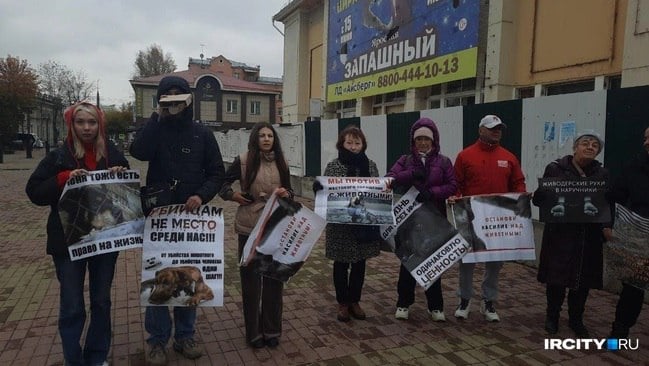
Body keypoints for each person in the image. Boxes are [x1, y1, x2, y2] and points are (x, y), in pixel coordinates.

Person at [130, 76, 225, 364]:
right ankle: (157, 341)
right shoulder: (155, 129)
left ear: (188, 99)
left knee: (187, 279)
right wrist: (155, 120)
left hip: (189, 221)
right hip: (160, 218)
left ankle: (185, 336)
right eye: (166, 95)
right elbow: (138, 152)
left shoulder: (202, 134)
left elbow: (217, 173)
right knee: (159, 278)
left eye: (178, 95)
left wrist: (201, 195)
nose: (173, 99)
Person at [26, 102, 129, 366]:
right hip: (69, 243)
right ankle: (74, 359)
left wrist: (121, 173)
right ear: (72, 125)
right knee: (72, 305)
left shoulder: (112, 154)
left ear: (99, 125)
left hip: (105, 242)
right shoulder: (60, 156)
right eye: (81, 122)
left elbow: (127, 188)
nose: (86, 127)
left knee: (101, 301)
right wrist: (63, 178)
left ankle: (97, 357)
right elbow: (34, 192)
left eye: (92, 122)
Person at [219, 122, 294, 349]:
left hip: (275, 226)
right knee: (251, 284)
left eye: (270, 135)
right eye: (262, 135)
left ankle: (271, 330)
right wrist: (234, 196)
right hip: (249, 226)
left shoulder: (283, 162)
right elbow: (222, 185)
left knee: (273, 281)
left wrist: (285, 193)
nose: (266, 138)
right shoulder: (243, 160)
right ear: (255, 138)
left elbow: (291, 192)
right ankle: (253, 332)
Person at [532, 131, 608, 337]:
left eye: (595, 145)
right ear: (575, 148)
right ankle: (552, 317)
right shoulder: (555, 169)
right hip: (560, 234)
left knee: (582, 282)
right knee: (556, 279)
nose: (590, 147)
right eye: (585, 143)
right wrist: (543, 192)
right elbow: (539, 200)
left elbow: (607, 204)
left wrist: (607, 227)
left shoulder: (602, 175)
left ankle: (576, 320)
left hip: (587, 236)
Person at [450, 114, 526, 322]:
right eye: (492, 128)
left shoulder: (509, 157)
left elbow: (518, 182)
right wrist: (455, 198)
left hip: (498, 220)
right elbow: (456, 183)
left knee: (495, 262)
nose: (496, 131)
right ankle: (464, 300)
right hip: (470, 217)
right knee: (467, 261)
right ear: (481, 130)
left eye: (499, 128)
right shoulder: (465, 156)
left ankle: (488, 301)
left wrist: (521, 197)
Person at [386, 117, 457, 321]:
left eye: (427, 139)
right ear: (413, 142)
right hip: (409, 220)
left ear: (434, 141)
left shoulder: (444, 162)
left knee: (434, 262)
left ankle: (435, 306)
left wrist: (433, 192)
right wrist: (410, 174)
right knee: (407, 262)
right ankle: (403, 303)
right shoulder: (405, 160)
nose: (423, 143)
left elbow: (452, 185)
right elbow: (390, 178)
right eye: (419, 139)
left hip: (434, 220)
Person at [317, 126, 381, 322]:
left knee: (360, 263)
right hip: (341, 225)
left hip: (363, 223)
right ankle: (343, 303)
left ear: (363, 145)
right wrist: (318, 188)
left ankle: (355, 300)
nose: (353, 147)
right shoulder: (334, 166)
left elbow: (377, 193)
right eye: (349, 142)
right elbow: (325, 193)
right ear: (342, 144)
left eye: (357, 143)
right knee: (341, 264)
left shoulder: (370, 166)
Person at [604, 126, 649, 338]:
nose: (647, 142)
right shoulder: (634, 167)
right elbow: (614, 197)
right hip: (638, 237)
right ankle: (618, 335)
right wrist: (609, 224)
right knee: (632, 288)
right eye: (646, 137)